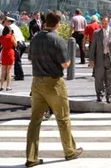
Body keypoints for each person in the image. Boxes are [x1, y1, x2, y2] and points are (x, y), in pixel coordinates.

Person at [26, 11, 83, 166]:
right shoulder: (57, 40)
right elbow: (65, 64)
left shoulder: (36, 38)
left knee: (35, 120)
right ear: (58, 23)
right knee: (63, 118)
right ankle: (70, 151)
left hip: (37, 81)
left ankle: (31, 158)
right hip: (54, 83)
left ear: (45, 23)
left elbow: (31, 59)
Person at [88, 16, 111, 103]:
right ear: (100, 23)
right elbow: (93, 47)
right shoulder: (97, 33)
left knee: (110, 78)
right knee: (99, 77)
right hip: (99, 58)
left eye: (105, 23)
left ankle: (109, 95)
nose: (104, 25)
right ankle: (99, 94)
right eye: (102, 23)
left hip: (110, 58)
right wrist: (91, 59)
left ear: (109, 23)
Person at [0, 25, 16, 91]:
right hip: (10, 52)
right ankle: (8, 86)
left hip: (4, 52)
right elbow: (15, 44)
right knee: (9, 71)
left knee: (3, 71)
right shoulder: (11, 37)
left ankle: (1, 86)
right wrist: (13, 36)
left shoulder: (1, 37)